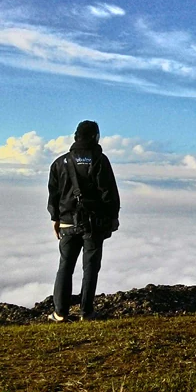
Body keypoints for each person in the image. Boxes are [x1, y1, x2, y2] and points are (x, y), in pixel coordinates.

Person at [47, 121, 120, 322]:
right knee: (90, 268)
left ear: (75, 136)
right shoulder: (100, 160)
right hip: (93, 225)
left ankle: (60, 313)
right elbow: (109, 194)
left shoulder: (59, 163)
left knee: (65, 266)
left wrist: (55, 219)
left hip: (67, 224)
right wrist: (113, 219)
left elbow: (53, 195)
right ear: (96, 136)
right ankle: (86, 312)